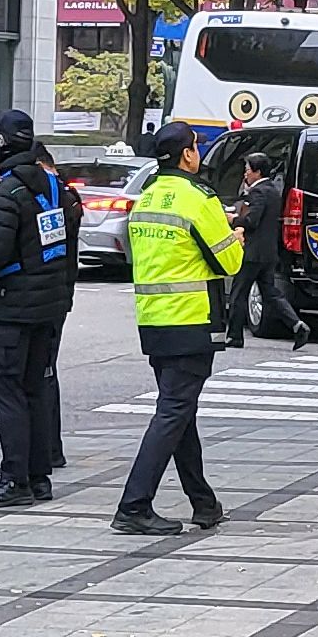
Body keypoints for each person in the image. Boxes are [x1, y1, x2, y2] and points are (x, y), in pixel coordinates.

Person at [113, 119, 242, 537]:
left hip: (154, 320)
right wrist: (236, 236)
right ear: (188, 154)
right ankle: (134, 505)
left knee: (179, 410)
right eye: (196, 147)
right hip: (191, 320)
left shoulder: (146, 197)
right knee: (173, 411)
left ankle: (203, 502)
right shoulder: (198, 198)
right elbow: (230, 263)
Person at [0, 109, 81, 510]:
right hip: (50, 303)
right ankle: (39, 477)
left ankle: (14, 479)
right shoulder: (55, 187)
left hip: (14, 308)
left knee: (7, 391)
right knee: (36, 388)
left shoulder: (6, 193)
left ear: (2, 144)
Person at [223, 153, 310, 349]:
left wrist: (233, 219)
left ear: (257, 172)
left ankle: (234, 336)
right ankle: (297, 325)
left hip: (253, 252)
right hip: (268, 252)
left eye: (247, 169)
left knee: (238, 293)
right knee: (270, 293)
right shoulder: (272, 190)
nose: (245, 173)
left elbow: (252, 221)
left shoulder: (258, 192)